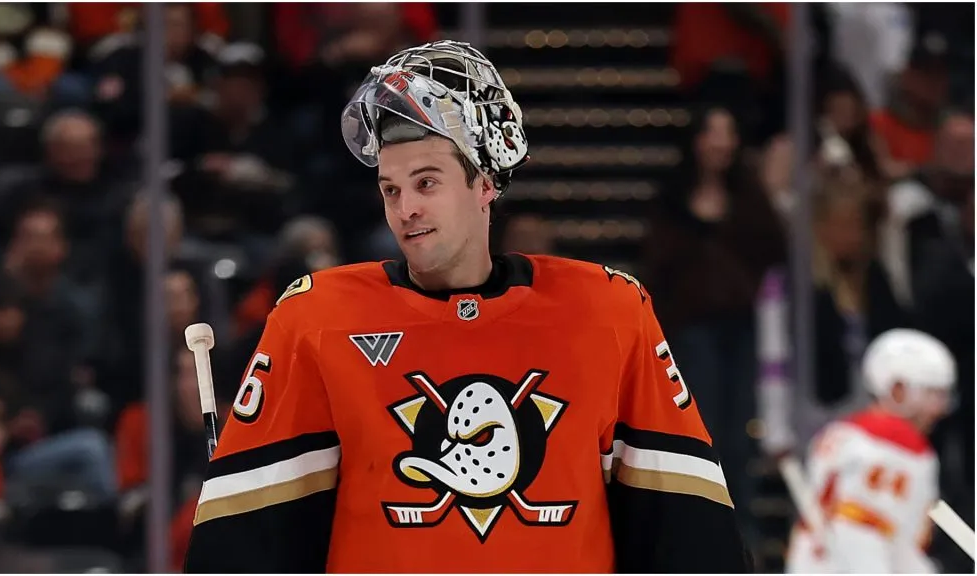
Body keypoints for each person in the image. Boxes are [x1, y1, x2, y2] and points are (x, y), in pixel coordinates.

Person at [185, 40, 750, 573]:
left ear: (485, 183)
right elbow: (243, 544)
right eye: (390, 189)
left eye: (426, 183)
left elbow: (690, 535)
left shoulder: (610, 311)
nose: (405, 208)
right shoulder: (316, 321)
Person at [785, 328, 956, 573]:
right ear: (897, 390)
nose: (941, 408)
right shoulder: (899, 447)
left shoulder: (838, 433)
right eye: (933, 394)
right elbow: (862, 534)